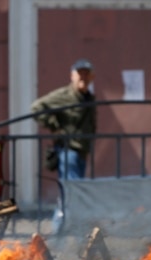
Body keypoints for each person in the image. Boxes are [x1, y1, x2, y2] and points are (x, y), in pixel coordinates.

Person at [31, 58, 97, 233]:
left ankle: (62, 232)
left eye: (86, 73)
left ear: (92, 76)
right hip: (69, 152)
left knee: (71, 193)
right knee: (72, 193)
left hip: (81, 151)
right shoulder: (64, 95)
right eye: (79, 73)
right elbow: (37, 107)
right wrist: (54, 125)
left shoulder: (88, 97)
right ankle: (66, 232)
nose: (83, 77)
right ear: (72, 76)